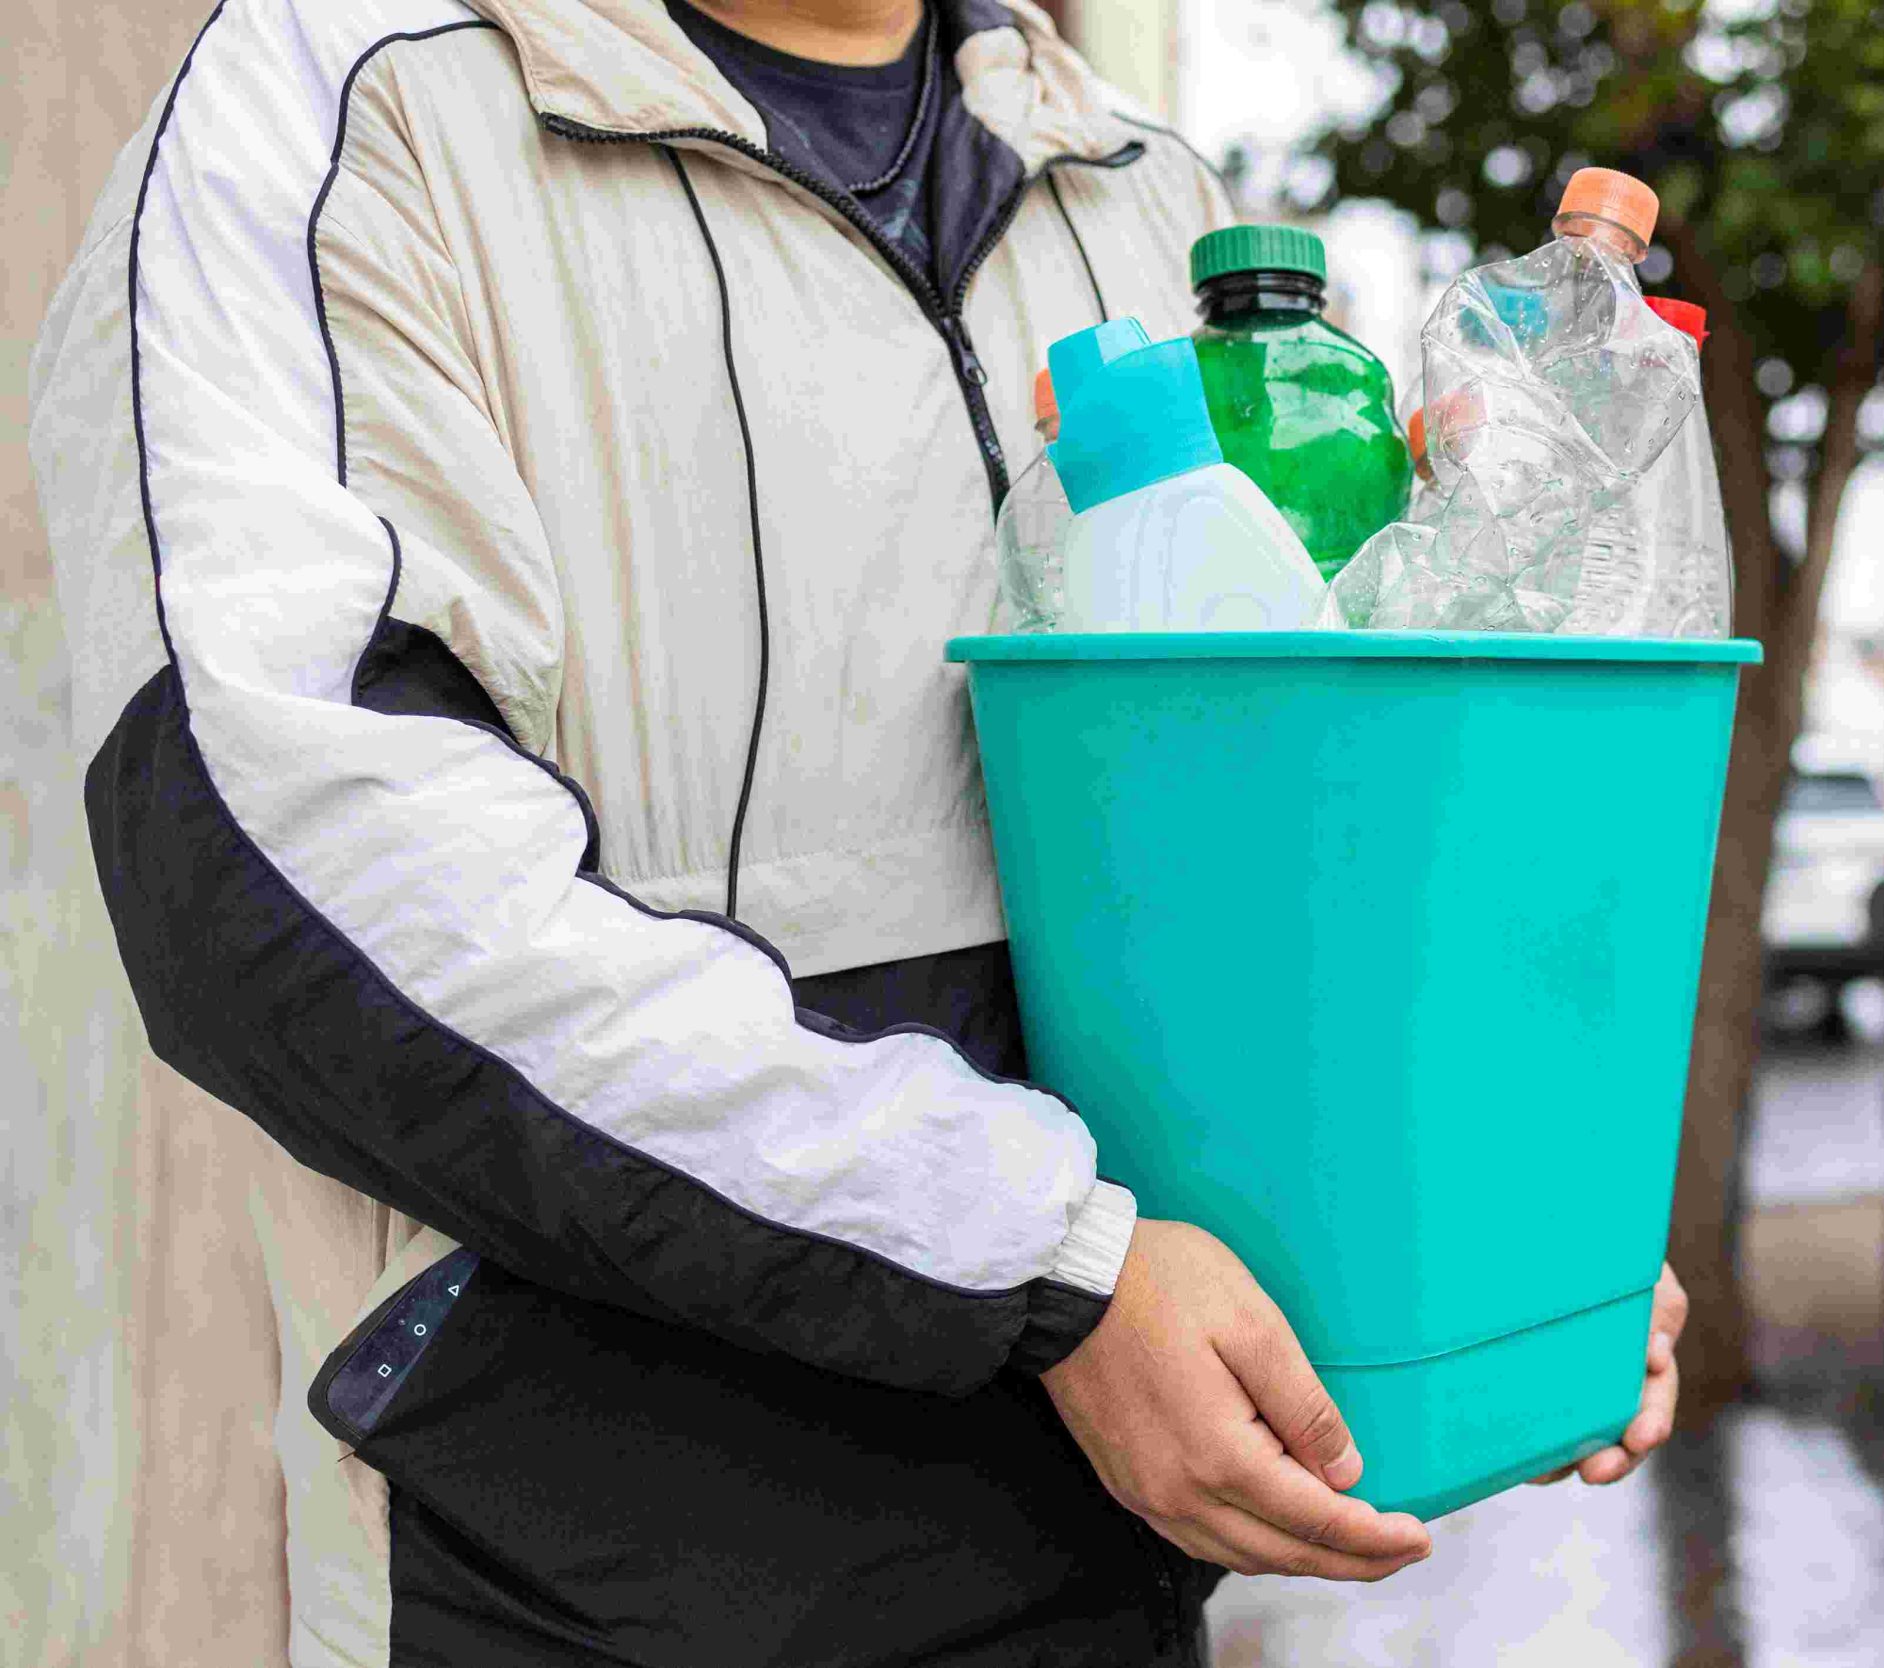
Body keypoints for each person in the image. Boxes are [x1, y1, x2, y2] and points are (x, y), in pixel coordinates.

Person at [29, 0, 1691, 1660]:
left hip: (1107, 1569)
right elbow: (285, 853)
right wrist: (1045, 1265)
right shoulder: (352, 105)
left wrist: (1515, 1220)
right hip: (577, 1579)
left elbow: (1321, 830)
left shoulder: (1137, 192)